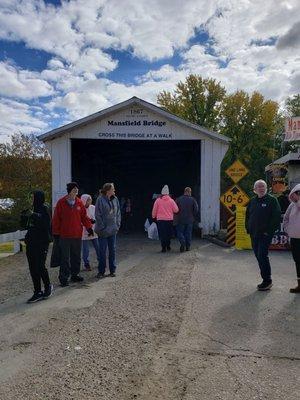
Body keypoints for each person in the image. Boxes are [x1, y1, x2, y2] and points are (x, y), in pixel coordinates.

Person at [52, 182, 93, 287]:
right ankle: (63, 278)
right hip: (64, 236)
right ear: (69, 190)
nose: (76, 190)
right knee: (65, 258)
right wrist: (56, 233)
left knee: (76, 256)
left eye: (77, 189)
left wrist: (89, 228)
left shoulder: (79, 203)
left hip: (76, 235)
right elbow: (56, 219)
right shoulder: (61, 202)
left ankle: (75, 274)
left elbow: (84, 217)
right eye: (74, 188)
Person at [245, 179, 281, 291]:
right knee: (258, 255)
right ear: (254, 190)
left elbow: (276, 217)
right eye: (258, 187)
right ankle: (265, 278)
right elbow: (247, 216)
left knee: (262, 255)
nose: (261, 188)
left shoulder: (272, 200)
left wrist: (268, 232)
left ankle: (267, 280)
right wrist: (248, 228)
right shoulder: (252, 201)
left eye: (263, 186)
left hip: (265, 235)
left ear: (266, 188)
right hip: (253, 234)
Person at [21, 190, 53, 303]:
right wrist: (24, 216)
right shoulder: (32, 209)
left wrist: (33, 215)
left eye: (33, 196)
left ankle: (48, 286)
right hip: (31, 242)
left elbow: (46, 223)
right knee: (33, 267)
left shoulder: (45, 207)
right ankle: (37, 291)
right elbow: (25, 226)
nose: (32, 199)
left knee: (40, 265)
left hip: (42, 242)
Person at [94, 183, 121, 279]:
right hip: (103, 231)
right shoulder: (100, 200)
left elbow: (118, 213)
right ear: (108, 190)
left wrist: (117, 225)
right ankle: (101, 271)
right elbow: (97, 215)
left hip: (113, 230)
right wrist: (102, 227)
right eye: (113, 188)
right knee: (102, 251)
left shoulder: (115, 199)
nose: (114, 190)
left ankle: (112, 270)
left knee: (112, 250)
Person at [283, 183, 300, 293]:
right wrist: (288, 229)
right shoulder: (291, 205)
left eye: (298, 193)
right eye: (296, 193)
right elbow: (286, 218)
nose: (296, 195)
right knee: (297, 261)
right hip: (295, 238)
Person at [152, 185, 179, 253]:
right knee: (168, 233)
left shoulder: (158, 200)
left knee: (162, 234)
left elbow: (154, 210)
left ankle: (163, 247)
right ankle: (168, 245)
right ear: (168, 193)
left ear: (162, 193)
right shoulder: (171, 201)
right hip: (169, 220)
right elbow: (176, 210)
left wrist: (153, 216)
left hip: (160, 220)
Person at [80, 194, 100, 271]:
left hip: (94, 231)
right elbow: (80, 220)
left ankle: (101, 261)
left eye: (90, 199)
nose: (90, 201)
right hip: (85, 232)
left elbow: (97, 216)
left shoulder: (93, 207)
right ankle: (86, 264)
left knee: (98, 247)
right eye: (88, 200)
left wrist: (94, 220)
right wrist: (88, 222)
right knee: (86, 250)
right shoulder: (81, 209)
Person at [176, 187, 199, 252]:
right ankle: (188, 247)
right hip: (190, 220)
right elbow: (196, 209)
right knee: (188, 233)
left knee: (180, 232)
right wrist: (193, 215)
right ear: (189, 192)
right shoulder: (193, 199)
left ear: (184, 191)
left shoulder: (178, 199)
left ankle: (182, 242)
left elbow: (175, 209)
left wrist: (177, 214)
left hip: (180, 219)